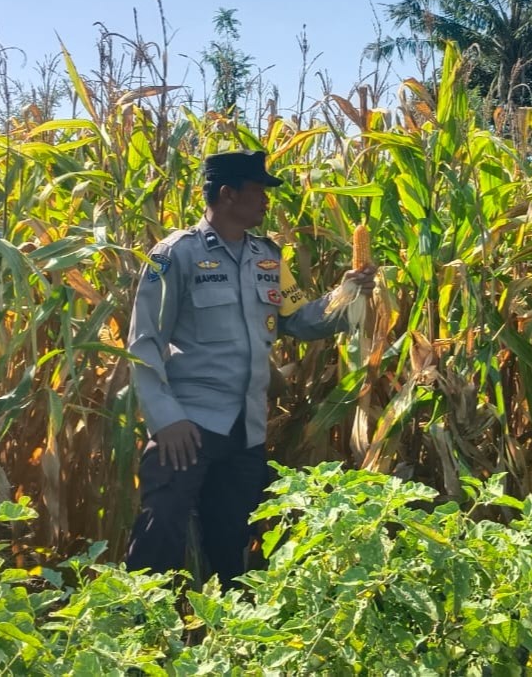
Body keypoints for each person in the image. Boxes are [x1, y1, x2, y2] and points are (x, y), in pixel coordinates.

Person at [125, 150, 377, 587]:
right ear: (227, 194)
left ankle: (225, 637)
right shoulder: (175, 255)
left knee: (231, 544)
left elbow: (299, 320)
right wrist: (165, 420)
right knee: (159, 536)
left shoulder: (268, 258)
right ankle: (134, 637)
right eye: (259, 191)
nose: (266, 202)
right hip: (189, 427)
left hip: (246, 430)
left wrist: (347, 293)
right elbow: (143, 342)